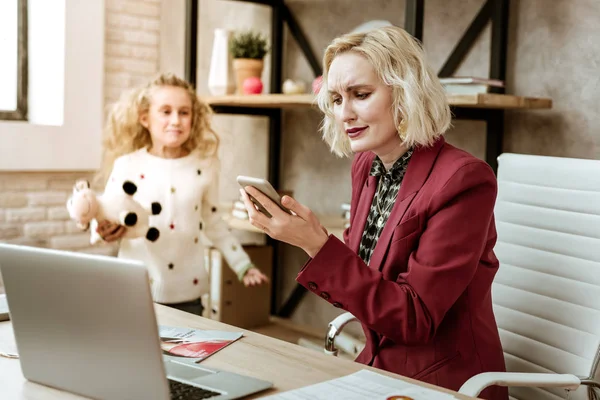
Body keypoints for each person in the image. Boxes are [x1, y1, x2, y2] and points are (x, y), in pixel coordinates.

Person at [239, 26, 507, 399]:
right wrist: (306, 240)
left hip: (443, 383)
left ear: (405, 93)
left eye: (360, 95)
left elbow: (415, 319)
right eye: (335, 99)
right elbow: (366, 283)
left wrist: (318, 245)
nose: (344, 113)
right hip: (381, 370)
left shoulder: (464, 180)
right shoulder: (367, 166)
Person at [93, 73, 269, 316]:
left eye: (184, 112)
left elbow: (214, 223)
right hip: (132, 289)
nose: (175, 120)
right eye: (165, 111)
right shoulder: (126, 165)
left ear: (193, 118)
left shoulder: (205, 166)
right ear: (145, 118)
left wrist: (242, 265)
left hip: (188, 294)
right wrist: (101, 229)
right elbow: (105, 213)